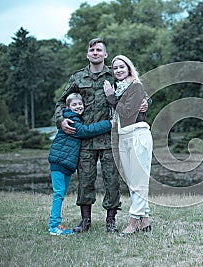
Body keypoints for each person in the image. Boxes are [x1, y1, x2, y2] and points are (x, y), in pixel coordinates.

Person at [53, 38, 148, 233]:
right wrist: (61, 121)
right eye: (92, 50)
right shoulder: (78, 78)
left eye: (99, 50)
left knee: (112, 180)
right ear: (88, 54)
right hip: (85, 139)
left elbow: (136, 91)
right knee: (85, 180)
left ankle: (110, 220)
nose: (95, 52)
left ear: (105, 54)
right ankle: (85, 221)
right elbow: (61, 102)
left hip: (110, 139)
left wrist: (146, 103)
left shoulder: (114, 76)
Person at [48, 93, 113, 236]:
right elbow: (86, 131)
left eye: (80, 104)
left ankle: (56, 223)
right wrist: (109, 123)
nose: (78, 107)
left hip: (66, 164)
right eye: (74, 105)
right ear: (67, 107)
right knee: (58, 194)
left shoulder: (76, 118)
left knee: (61, 193)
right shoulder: (70, 120)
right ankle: (54, 226)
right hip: (59, 162)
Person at [103, 55, 153, 235]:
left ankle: (133, 222)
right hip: (123, 136)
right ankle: (145, 220)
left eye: (121, 67)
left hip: (138, 134)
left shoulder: (135, 86)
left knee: (139, 180)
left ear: (129, 68)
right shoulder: (117, 88)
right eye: (115, 68)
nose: (118, 71)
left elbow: (127, 113)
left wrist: (111, 98)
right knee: (133, 181)